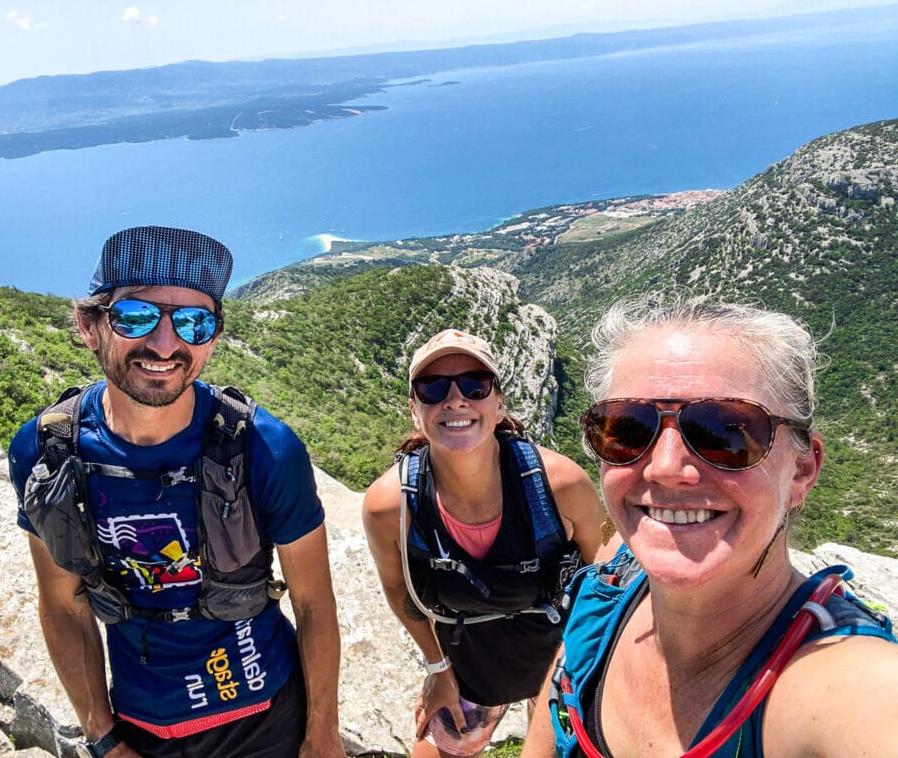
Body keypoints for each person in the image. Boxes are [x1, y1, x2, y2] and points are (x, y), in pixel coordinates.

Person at [8, 226, 346, 758]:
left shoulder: (266, 448)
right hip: (143, 727)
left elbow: (313, 602)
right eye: (137, 316)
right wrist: (103, 738)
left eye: (192, 322)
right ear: (89, 325)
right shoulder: (47, 452)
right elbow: (62, 605)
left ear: (211, 340)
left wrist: (322, 734)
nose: (166, 345)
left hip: (269, 713)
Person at [522, 295, 898, 758]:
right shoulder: (607, 589)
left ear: (802, 470)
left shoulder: (850, 687)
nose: (664, 467)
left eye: (723, 432)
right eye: (628, 429)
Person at [363, 329, 617, 758]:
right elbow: (398, 588)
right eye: (433, 388)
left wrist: (598, 665)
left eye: (475, 385)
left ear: (499, 404)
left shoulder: (559, 485)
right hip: (469, 668)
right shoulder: (391, 506)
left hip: (562, 658)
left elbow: (605, 568)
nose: (455, 400)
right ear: (414, 409)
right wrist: (437, 668)